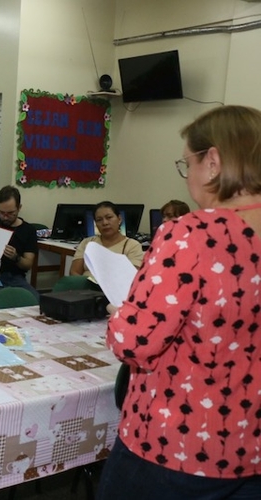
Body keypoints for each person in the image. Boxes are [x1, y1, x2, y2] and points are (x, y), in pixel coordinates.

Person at [98, 105, 261, 499]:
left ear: (213, 161)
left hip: (175, 445)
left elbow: (135, 342)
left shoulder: (191, 234)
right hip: (250, 446)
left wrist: (121, 316)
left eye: (187, 163)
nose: (188, 176)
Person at [69, 201, 144, 279]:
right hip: (84, 287)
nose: (105, 223)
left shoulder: (132, 245)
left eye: (109, 217)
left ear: (119, 219)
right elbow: (74, 272)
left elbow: (132, 277)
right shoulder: (87, 242)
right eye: (99, 220)